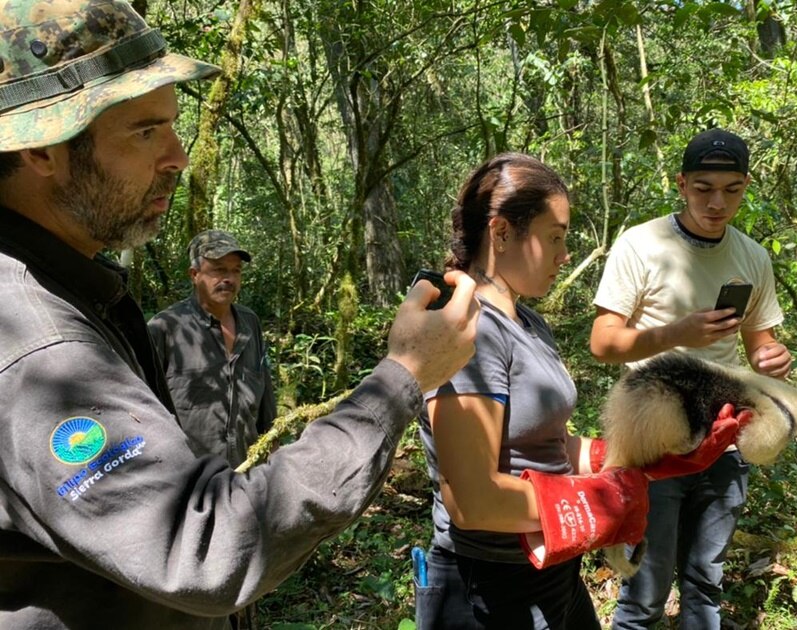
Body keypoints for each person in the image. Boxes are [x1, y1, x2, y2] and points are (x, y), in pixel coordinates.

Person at [0, 1, 478, 628]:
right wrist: (403, 376)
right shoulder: (37, 346)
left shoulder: (76, 291)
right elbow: (202, 547)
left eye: (173, 127)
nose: (177, 156)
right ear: (42, 148)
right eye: (145, 131)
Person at [413, 153, 749, 630]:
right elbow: (472, 501)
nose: (565, 254)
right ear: (501, 232)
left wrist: (648, 457)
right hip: (491, 588)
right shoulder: (469, 331)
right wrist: (599, 498)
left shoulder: (528, 323)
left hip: (553, 574)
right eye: (555, 237)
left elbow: (549, 444)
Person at [589, 128, 793, 629]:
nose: (717, 203)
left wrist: (771, 358)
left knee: (706, 583)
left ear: (746, 186)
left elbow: (760, 343)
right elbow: (602, 342)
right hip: (655, 435)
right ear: (681, 184)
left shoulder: (752, 256)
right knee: (645, 592)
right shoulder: (640, 245)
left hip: (725, 435)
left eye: (731, 190)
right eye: (703, 189)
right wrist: (675, 333)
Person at [149, 229, 276, 469]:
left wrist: (272, 451)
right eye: (219, 269)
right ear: (194, 274)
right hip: (188, 475)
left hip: (247, 471)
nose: (229, 278)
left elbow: (266, 397)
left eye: (236, 270)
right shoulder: (165, 328)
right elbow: (144, 407)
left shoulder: (250, 323)